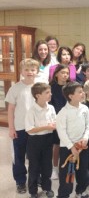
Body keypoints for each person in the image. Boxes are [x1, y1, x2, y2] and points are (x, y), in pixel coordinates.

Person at [5, 58, 40, 194]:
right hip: (20, 128)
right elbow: (11, 110)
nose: (30, 72)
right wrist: (12, 128)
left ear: (37, 71)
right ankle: (20, 181)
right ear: (21, 71)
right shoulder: (15, 88)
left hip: (37, 128)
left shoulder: (40, 87)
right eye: (26, 69)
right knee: (19, 156)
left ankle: (35, 178)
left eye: (32, 69)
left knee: (36, 156)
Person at [56, 81, 89, 198]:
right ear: (71, 96)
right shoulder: (63, 113)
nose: (83, 94)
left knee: (83, 171)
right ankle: (64, 194)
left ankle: (81, 190)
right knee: (67, 174)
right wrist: (71, 147)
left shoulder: (85, 109)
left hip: (82, 146)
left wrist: (85, 138)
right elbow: (61, 132)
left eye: (82, 91)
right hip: (67, 148)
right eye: (80, 92)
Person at [25, 83, 56, 198]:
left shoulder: (51, 108)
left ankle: (47, 187)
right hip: (35, 141)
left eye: (50, 92)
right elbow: (30, 130)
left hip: (48, 140)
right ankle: (33, 191)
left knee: (47, 166)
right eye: (47, 93)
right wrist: (47, 127)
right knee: (34, 167)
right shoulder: (31, 110)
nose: (50, 94)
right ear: (38, 95)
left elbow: (55, 121)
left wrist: (55, 125)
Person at [49, 64, 70, 180]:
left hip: (70, 120)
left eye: (67, 73)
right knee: (56, 145)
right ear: (56, 74)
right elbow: (49, 106)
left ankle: (67, 168)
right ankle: (54, 168)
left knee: (68, 145)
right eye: (62, 72)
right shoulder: (51, 87)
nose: (65, 75)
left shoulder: (70, 87)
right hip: (56, 121)